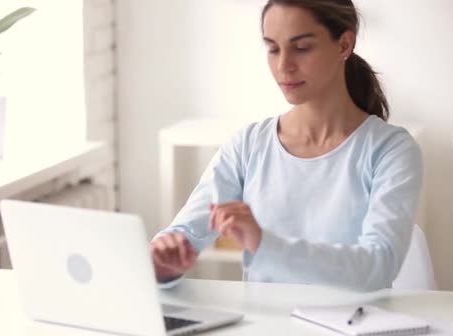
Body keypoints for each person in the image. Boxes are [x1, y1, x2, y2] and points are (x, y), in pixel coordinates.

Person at [150, 0, 422, 291]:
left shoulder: (391, 150)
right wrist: (165, 261)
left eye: (302, 48)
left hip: (353, 331)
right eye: (273, 48)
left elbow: (378, 266)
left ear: (344, 45)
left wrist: (265, 244)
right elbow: (185, 232)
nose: (283, 66)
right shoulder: (248, 146)